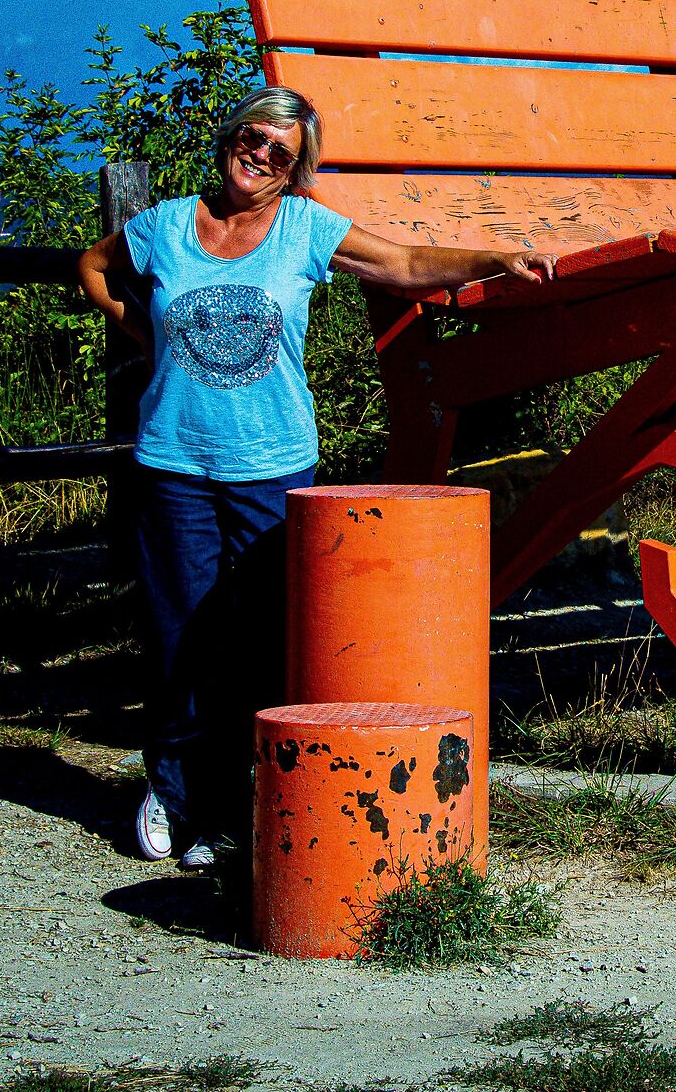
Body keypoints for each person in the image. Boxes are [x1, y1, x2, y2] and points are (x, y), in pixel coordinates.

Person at [75, 87, 551, 868]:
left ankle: (238, 809)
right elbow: (93, 267)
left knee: (262, 641)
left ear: (296, 170)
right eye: (253, 135)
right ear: (231, 136)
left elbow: (401, 263)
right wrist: (141, 334)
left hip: (272, 467)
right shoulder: (162, 225)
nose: (261, 153)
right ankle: (172, 790)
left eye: (282, 151)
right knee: (175, 634)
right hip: (172, 465)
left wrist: (493, 255)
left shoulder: (303, 228)